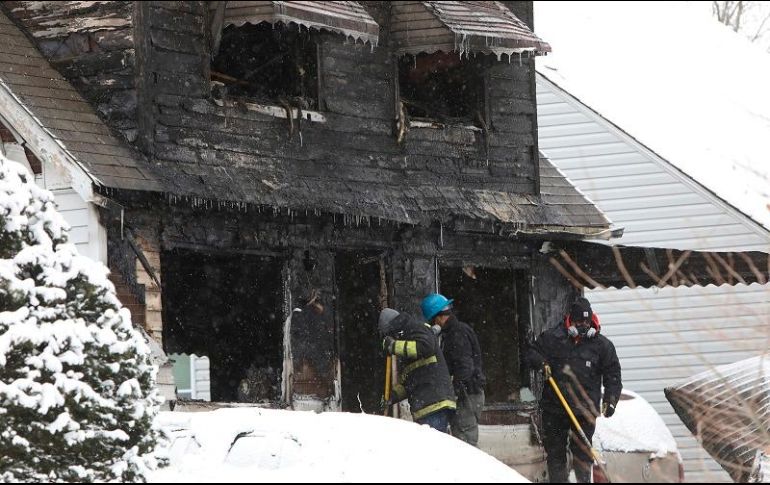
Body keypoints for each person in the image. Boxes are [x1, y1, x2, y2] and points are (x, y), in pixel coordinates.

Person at [527, 297, 622, 483]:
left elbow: (613, 375)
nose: (583, 327)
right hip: (555, 407)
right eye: (579, 322)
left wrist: (610, 400)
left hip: (585, 410)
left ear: (592, 321)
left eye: (586, 323)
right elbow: (531, 352)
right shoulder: (553, 338)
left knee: (583, 456)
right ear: (571, 320)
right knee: (556, 455)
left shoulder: (602, 346)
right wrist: (541, 363)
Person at [421, 293, 486, 447]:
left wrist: (455, 392)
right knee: (461, 438)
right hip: (467, 393)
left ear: (438, 318)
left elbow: (465, 368)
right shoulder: (453, 332)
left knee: (465, 442)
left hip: (467, 394)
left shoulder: (457, 333)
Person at [378, 308, 456, 432]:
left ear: (392, 328)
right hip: (426, 408)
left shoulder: (415, 328)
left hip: (434, 404)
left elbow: (426, 346)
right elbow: (409, 383)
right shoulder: (407, 349)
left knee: (432, 443)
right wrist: (391, 397)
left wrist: (393, 346)